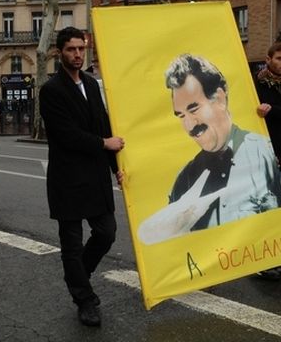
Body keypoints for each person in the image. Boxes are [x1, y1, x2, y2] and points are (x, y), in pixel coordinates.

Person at [138, 54, 281, 246]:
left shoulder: (264, 154)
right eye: (181, 115)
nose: (189, 125)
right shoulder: (185, 177)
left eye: (194, 108)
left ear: (220, 98)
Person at [39, 27, 124, 327]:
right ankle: (85, 299)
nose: (77, 54)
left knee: (107, 232)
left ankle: (77, 274)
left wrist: (116, 167)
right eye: (71, 49)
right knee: (71, 244)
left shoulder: (91, 83)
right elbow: (65, 135)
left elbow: (104, 125)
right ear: (59, 52)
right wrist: (103, 144)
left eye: (81, 49)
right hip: (68, 179)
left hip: (96, 176)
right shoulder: (51, 91)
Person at [255, 42, 281, 280]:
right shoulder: (255, 84)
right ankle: (263, 257)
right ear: (268, 59)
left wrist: (271, 110)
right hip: (265, 151)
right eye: (280, 58)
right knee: (267, 205)